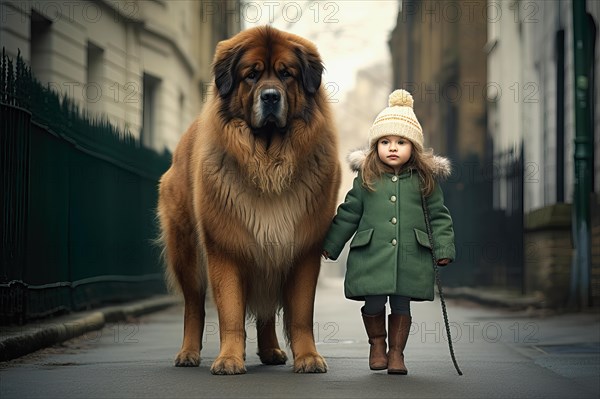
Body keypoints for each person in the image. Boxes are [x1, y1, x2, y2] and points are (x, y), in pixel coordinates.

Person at [322, 89, 455, 375]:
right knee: (373, 300)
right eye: (385, 141)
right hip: (372, 254)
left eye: (401, 142)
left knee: (401, 304)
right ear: (375, 146)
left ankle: (397, 353)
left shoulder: (423, 181)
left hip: (410, 257)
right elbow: (348, 213)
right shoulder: (366, 179)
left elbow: (439, 216)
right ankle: (377, 344)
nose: (392, 147)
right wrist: (331, 245)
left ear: (413, 147)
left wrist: (443, 249)